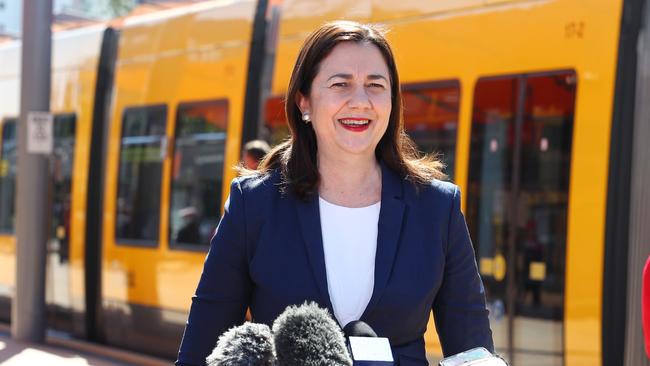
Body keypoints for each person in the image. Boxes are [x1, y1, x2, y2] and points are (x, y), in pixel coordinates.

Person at [176, 21, 493, 366]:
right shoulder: (253, 205)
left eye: (375, 85)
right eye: (341, 84)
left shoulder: (437, 207)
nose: (360, 101)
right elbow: (200, 351)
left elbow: (473, 354)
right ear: (304, 102)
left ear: (392, 102)